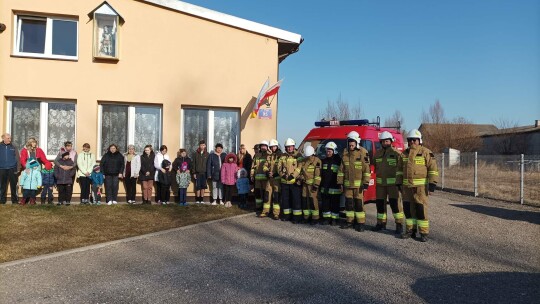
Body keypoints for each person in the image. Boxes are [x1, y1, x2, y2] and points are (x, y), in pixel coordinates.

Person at [397, 129, 439, 242]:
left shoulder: (426, 152)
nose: (412, 142)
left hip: (421, 188)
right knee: (408, 210)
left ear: (419, 140)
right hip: (407, 188)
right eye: (410, 140)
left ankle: (424, 232)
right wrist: (398, 183)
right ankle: (410, 231)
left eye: (414, 140)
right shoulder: (404, 154)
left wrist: (432, 184)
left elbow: (433, 169)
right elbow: (399, 170)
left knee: (421, 209)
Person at [337, 131, 371, 231]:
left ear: (357, 142)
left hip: (358, 186)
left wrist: (366, 183)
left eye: (352, 143)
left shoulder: (363, 152)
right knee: (349, 204)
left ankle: (360, 223)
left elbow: (366, 170)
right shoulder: (345, 153)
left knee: (359, 205)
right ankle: (349, 221)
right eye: (349, 142)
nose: (350, 145)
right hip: (348, 186)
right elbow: (341, 170)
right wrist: (340, 182)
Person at [373, 131, 404, 234]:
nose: (385, 143)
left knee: (395, 204)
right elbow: (370, 164)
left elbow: (402, 168)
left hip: (393, 185)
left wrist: (400, 183)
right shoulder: (377, 154)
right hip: (380, 185)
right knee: (380, 205)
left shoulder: (397, 154)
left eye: (387, 141)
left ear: (391, 141)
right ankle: (381, 223)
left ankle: (399, 225)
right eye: (383, 141)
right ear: (380, 142)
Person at [278, 138, 304, 223]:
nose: (289, 148)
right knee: (286, 200)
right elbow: (279, 168)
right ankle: (286, 216)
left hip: (294, 183)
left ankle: (296, 218)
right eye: (288, 147)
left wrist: (293, 176)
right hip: (284, 182)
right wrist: (283, 175)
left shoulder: (298, 156)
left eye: (291, 147)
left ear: (294, 147)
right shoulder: (282, 156)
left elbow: (300, 167)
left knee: (296, 200)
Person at [319, 142, 342, 225]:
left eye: (330, 151)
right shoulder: (323, 161)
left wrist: (340, 184)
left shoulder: (338, 161)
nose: (328, 152)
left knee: (335, 204)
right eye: (327, 150)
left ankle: (335, 219)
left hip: (335, 187)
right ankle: (326, 218)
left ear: (334, 151)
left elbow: (341, 173)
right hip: (325, 187)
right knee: (325, 204)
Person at [300, 145, 322, 224]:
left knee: (313, 201)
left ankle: (315, 218)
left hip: (312, 185)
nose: (308, 157)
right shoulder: (304, 160)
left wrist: (316, 185)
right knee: (305, 200)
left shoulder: (317, 161)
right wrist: (301, 178)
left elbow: (318, 175)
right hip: (305, 184)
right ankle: (306, 216)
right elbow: (302, 172)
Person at [251, 140, 271, 215]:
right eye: (262, 146)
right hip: (257, 179)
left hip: (266, 179)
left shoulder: (269, 155)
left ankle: (266, 209)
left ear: (267, 147)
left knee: (266, 195)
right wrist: (252, 175)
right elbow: (253, 166)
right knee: (258, 194)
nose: (263, 147)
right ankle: (258, 207)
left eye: (264, 146)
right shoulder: (256, 155)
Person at [0, 133, 20, 204]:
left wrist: (18, 168)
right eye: (8, 138)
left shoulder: (13, 146)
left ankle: (14, 200)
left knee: (13, 185)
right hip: (2, 168)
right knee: (2, 185)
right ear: (3, 138)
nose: (10, 140)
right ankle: (2, 200)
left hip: (12, 168)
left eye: (10, 138)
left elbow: (17, 157)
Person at [267, 139, 283, 220]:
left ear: (277, 146)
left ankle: (276, 213)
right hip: (270, 178)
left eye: (274, 147)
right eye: (271, 147)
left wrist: (275, 174)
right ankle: (266, 211)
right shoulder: (269, 155)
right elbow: (266, 165)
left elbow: (281, 167)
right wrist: (267, 172)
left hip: (277, 179)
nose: (273, 148)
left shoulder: (280, 155)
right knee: (268, 195)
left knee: (276, 196)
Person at [192, 140, 209, 204]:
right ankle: (197, 199)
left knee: (203, 186)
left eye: (203, 145)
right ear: (199, 146)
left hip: (204, 173)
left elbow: (208, 164)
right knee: (198, 186)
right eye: (201, 145)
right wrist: (194, 172)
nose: (202, 146)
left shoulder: (207, 154)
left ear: (205, 146)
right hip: (197, 173)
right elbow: (193, 164)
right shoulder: (196, 154)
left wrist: (208, 173)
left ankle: (202, 199)